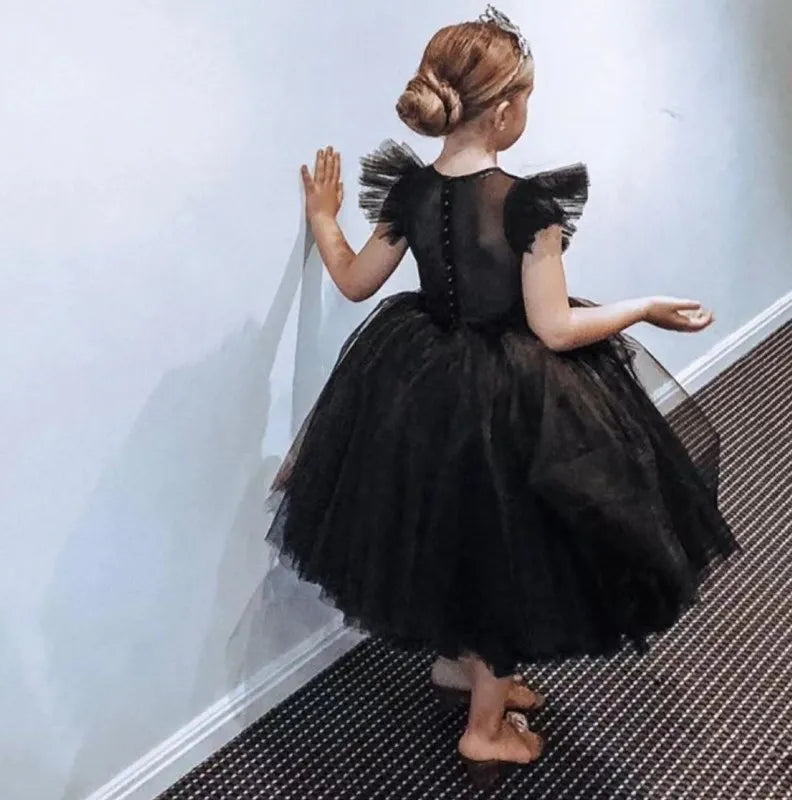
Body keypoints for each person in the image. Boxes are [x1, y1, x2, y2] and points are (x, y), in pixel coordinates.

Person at [265, 4, 741, 789]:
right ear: (505, 110)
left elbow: (353, 281)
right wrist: (644, 308)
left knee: (451, 529)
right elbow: (554, 327)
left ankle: (459, 666)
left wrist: (323, 220)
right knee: (507, 550)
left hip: (417, 380)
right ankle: (485, 730)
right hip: (508, 397)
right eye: (527, 99)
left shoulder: (410, 192)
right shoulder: (528, 205)